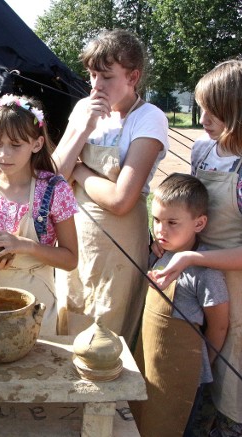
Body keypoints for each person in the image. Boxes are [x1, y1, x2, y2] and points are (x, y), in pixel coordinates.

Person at [150, 60, 242, 436]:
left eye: (215, 111)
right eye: (202, 107)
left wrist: (193, 257)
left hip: (240, 278)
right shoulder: (202, 150)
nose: (204, 117)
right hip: (192, 271)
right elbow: (191, 206)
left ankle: (228, 426)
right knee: (189, 358)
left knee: (233, 369)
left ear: (241, 111)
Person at [52, 29, 169, 340]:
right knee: (69, 317)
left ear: (133, 76)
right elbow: (52, 180)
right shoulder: (83, 109)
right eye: (91, 75)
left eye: (106, 77)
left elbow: (121, 200)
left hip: (119, 243)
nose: (95, 86)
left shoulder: (149, 119)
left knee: (107, 332)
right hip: (74, 236)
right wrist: (83, 129)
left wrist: (80, 172)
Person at [0, 94, 79, 336]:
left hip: (37, 305)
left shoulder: (55, 189)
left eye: (15, 145)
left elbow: (70, 259)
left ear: (36, 144)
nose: (4, 154)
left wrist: (24, 245)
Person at [130, 173, 229, 437]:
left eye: (173, 222)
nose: (162, 230)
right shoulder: (157, 253)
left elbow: (219, 327)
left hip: (185, 378)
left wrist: (202, 366)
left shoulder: (205, 272)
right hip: (149, 365)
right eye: (157, 220)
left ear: (199, 223)